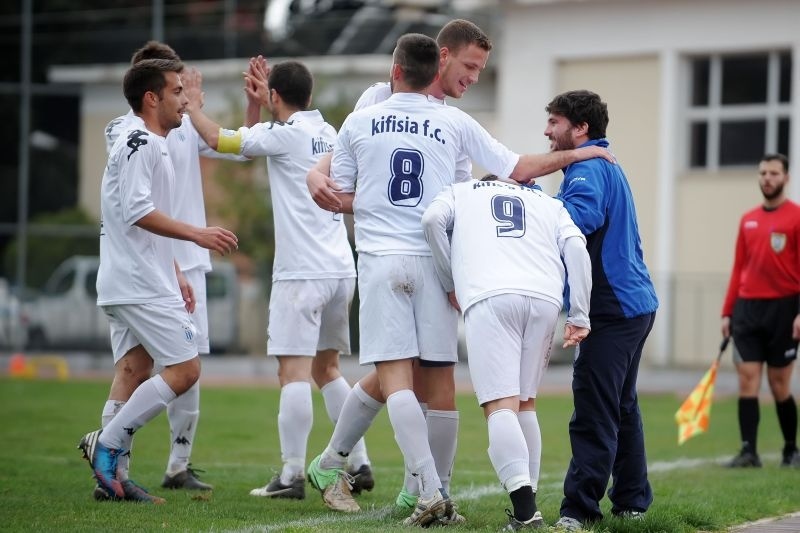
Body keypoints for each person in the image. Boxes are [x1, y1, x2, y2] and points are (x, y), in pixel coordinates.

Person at [303, 33, 611, 527]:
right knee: (409, 380)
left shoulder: (383, 116)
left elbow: (345, 181)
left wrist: (329, 185)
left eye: (480, 70)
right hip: (431, 258)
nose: (473, 77)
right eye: (468, 66)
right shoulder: (437, 117)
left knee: (419, 382)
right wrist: (579, 154)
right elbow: (516, 168)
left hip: (404, 255)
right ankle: (411, 487)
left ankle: (419, 488)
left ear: (400, 69)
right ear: (439, 60)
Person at [183, 58, 373, 501]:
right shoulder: (329, 133)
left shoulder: (283, 134)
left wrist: (192, 104)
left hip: (302, 272)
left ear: (275, 97)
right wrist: (256, 106)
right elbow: (248, 147)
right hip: (341, 269)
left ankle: (290, 475)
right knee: (327, 370)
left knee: (292, 372)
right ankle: (359, 462)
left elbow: (217, 139)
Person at [77, 58, 239, 503]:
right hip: (136, 282)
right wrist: (196, 234)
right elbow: (136, 211)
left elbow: (133, 219)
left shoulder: (155, 142)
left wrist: (175, 270)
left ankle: (114, 480)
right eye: (176, 92)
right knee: (186, 369)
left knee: (133, 370)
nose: (185, 101)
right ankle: (107, 444)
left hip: (138, 276)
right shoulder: (139, 142)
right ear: (152, 99)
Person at [421, 174, 592, 530]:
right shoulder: (547, 202)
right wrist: (579, 312)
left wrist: (450, 280)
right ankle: (527, 510)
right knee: (525, 402)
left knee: (500, 405)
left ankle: (527, 514)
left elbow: (432, 220)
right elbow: (577, 247)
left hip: (491, 295)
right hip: (544, 298)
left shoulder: (462, 190)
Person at [544, 90, 659, 531]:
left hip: (612, 309)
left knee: (594, 407)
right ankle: (631, 501)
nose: (547, 132)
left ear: (580, 128)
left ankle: (579, 511)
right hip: (633, 304)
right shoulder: (602, 162)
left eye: (554, 122)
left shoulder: (587, 167)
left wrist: (529, 203)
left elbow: (577, 221)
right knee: (621, 406)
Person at [721, 153, 800, 468]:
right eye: (763, 173)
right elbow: (738, 267)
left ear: (785, 178)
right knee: (747, 380)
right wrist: (728, 312)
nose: (767, 178)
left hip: (785, 309)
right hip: (747, 309)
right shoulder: (748, 219)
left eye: (773, 173)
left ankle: (791, 450)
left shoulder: (796, 217)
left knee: (779, 385)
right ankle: (748, 452)